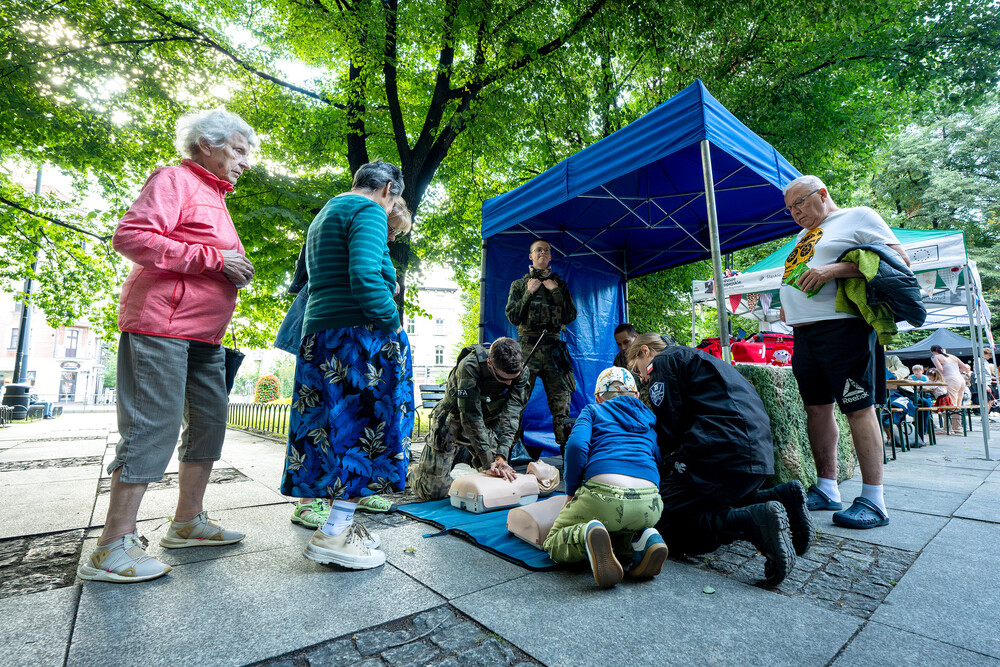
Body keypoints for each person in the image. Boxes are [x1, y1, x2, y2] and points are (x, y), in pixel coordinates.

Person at [78, 109, 258, 584]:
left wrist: (230, 265)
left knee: (209, 427)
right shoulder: (175, 178)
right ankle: (111, 547)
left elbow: (213, 257)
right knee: (151, 429)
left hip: (205, 335)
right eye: (238, 150)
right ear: (206, 144)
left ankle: (187, 524)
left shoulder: (216, 196)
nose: (245, 162)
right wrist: (215, 259)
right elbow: (131, 236)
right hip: (162, 324)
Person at [279, 160, 414, 570]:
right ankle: (335, 533)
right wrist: (392, 323)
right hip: (358, 337)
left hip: (320, 334)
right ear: (389, 188)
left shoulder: (326, 212)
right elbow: (365, 275)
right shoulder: (369, 210)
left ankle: (336, 526)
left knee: (329, 429)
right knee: (368, 429)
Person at [627, 334, 814, 586]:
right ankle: (781, 497)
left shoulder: (663, 362)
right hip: (753, 455)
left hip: (721, 451)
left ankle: (751, 521)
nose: (643, 378)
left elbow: (669, 428)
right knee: (707, 495)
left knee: (661, 516)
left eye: (638, 370)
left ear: (645, 351)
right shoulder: (699, 359)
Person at [779, 175, 910, 530]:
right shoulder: (803, 235)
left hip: (844, 329)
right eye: (790, 208)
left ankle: (875, 499)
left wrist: (834, 269)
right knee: (816, 409)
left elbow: (900, 261)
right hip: (804, 334)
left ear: (822, 194)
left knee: (857, 408)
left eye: (800, 203)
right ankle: (826, 487)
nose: (795, 213)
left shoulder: (859, 216)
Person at [543, 367, 666, 589]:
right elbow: (657, 457)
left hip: (603, 493)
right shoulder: (649, 419)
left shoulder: (592, 411)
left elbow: (576, 446)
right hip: (650, 503)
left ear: (598, 396)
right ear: (636, 395)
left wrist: (570, 493)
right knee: (619, 531)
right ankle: (645, 537)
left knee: (553, 541)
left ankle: (585, 534)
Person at [408, 338, 529, 500]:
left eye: (513, 379)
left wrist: (501, 456)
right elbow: (471, 416)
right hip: (451, 420)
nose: (509, 383)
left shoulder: (521, 369)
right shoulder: (469, 366)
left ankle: (461, 454)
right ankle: (417, 472)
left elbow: (511, 414)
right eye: (503, 378)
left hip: (484, 423)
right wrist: (487, 462)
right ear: (490, 364)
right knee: (434, 492)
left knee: (499, 481)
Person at [505, 239, 578, 458]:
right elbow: (513, 316)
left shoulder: (560, 285)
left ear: (550, 257)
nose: (543, 253)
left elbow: (570, 316)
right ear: (531, 256)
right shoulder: (519, 285)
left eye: (547, 250)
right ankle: (508, 452)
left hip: (555, 349)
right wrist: (529, 292)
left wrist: (555, 292)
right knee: (516, 399)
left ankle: (567, 456)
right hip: (527, 347)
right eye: (538, 250)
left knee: (562, 404)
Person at [930, 344, 970, 432]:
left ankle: (948, 428)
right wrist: (956, 372)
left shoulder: (935, 357)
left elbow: (940, 369)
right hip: (960, 379)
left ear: (932, 352)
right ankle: (957, 427)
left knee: (950, 403)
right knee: (957, 404)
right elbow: (964, 367)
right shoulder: (953, 356)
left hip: (950, 380)